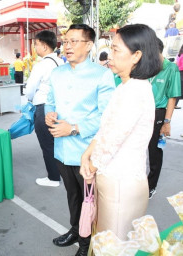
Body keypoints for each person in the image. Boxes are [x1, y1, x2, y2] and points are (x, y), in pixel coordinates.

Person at [80, 24, 161, 240]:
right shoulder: (126, 86)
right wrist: (88, 153)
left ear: (136, 56)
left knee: (113, 244)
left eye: (116, 50)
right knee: (109, 241)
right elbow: (107, 130)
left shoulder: (134, 91)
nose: (110, 55)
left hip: (120, 182)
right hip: (114, 178)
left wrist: (91, 165)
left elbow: (113, 140)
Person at [45, 24, 115, 256]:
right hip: (62, 149)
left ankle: (88, 245)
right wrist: (49, 113)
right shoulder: (57, 73)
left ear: (89, 45)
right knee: (72, 195)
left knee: (90, 201)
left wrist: (74, 128)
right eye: (66, 41)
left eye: (74, 41)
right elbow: (50, 100)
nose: (68, 46)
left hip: (87, 152)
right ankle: (75, 230)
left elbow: (106, 116)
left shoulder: (102, 74)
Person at [26, 30, 64, 187]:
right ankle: (61, 172)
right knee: (57, 142)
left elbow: (30, 89)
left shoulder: (41, 65)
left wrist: (29, 100)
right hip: (59, 108)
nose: (35, 48)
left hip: (43, 108)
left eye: (36, 44)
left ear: (43, 45)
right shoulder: (61, 63)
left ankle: (53, 178)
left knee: (47, 144)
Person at [147, 38, 181, 199]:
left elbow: (172, 98)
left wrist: (167, 122)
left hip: (158, 113)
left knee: (154, 151)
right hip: (141, 112)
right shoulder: (145, 66)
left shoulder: (171, 68)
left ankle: (151, 186)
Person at [175, 44, 183, 109]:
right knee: (180, 89)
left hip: (178, 72)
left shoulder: (178, 54)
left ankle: (175, 103)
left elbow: (176, 63)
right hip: (181, 72)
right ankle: (175, 104)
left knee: (178, 88)